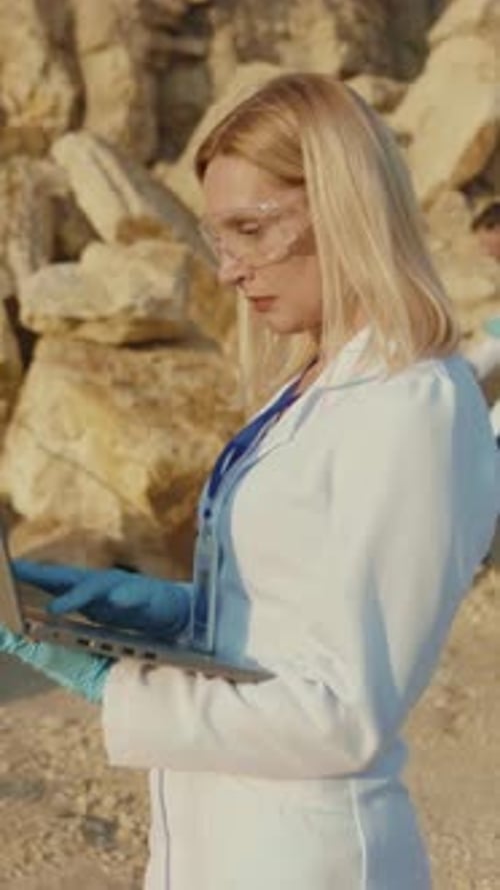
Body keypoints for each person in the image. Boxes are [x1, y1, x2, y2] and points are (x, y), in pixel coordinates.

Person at [1, 73, 499, 890]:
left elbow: (346, 713)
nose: (229, 270)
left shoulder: (412, 406)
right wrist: (161, 614)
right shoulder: (318, 382)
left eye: (252, 231)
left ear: (343, 207)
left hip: (307, 857)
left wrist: (114, 681)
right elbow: (298, 611)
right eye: (218, 237)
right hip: (226, 838)